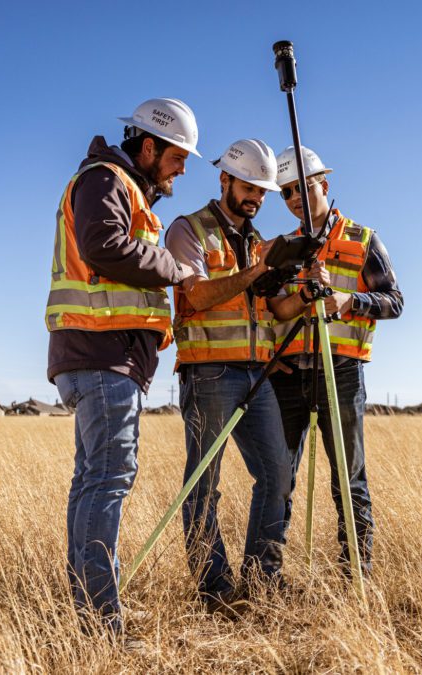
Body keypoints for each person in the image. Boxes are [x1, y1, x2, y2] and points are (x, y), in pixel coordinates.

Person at [45, 98, 200, 637]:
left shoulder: (125, 188)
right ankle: (97, 619)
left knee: (94, 481)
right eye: (179, 157)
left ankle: (89, 607)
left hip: (104, 356)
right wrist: (175, 270)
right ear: (150, 146)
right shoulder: (106, 180)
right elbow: (104, 246)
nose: (183, 168)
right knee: (108, 480)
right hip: (101, 355)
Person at [164, 139, 293, 613]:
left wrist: (302, 289)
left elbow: (273, 309)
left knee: (277, 474)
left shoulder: (257, 243)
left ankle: (261, 580)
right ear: (225, 180)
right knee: (204, 481)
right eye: (249, 187)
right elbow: (194, 297)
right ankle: (214, 589)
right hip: (210, 372)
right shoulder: (189, 230)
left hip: (257, 374)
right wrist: (254, 272)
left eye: (263, 192)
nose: (256, 198)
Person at [268, 146, 403, 576]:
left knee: (348, 478)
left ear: (323, 186)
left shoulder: (363, 239)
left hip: (341, 372)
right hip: (288, 376)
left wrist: (348, 300)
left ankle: (355, 576)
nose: (293, 201)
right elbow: (267, 311)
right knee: (278, 479)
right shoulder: (283, 249)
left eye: (301, 190)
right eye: (286, 194)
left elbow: (394, 302)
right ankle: (267, 576)